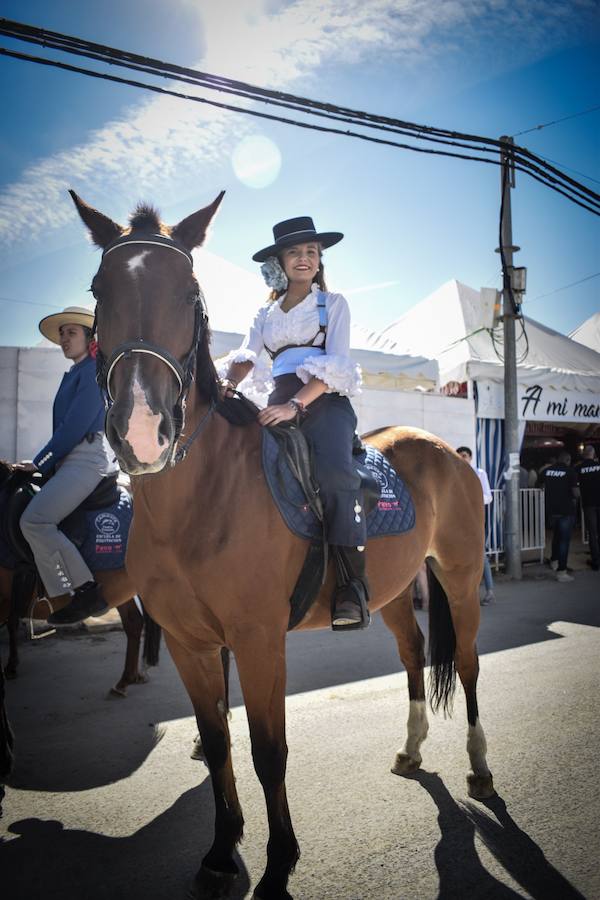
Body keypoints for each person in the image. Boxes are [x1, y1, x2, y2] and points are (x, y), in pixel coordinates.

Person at [222, 216, 369, 631]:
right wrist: (223, 386)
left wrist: (295, 407)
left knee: (335, 475)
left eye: (311, 252)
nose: (304, 259)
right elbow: (248, 356)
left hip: (324, 401)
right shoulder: (265, 312)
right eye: (294, 252)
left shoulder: (333, 303)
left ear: (319, 259)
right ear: (279, 262)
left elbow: (337, 364)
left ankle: (351, 587)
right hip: (277, 401)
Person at [14, 306, 118, 624]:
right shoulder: (75, 373)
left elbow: (73, 427)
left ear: (90, 338)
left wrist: (40, 462)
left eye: (71, 332)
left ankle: (86, 592)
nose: (63, 338)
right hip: (71, 458)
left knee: (35, 521)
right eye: (61, 333)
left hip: (86, 459)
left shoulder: (91, 372)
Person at [456, 447, 495, 605]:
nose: (462, 459)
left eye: (464, 456)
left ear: (470, 457)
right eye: (459, 456)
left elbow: (488, 497)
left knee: (480, 555)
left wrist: (472, 499)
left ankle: (489, 590)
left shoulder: (479, 473)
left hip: (475, 520)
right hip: (458, 521)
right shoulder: (455, 475)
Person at [539, 450, 579, 582]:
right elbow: (575, 493)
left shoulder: (547, 471)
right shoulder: (570, 472)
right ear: (568, 460)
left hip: (550, 510)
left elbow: (538, 485)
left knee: (556, 537)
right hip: (565, 511)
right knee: (564, 541)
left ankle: (554, 561)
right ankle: (562, 571)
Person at [575, 444, 600, 571]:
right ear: (593, 454)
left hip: (588, 504)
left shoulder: (579, 468)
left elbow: (575, 485)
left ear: (584, 454)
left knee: (593, 532)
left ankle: (596, 561)